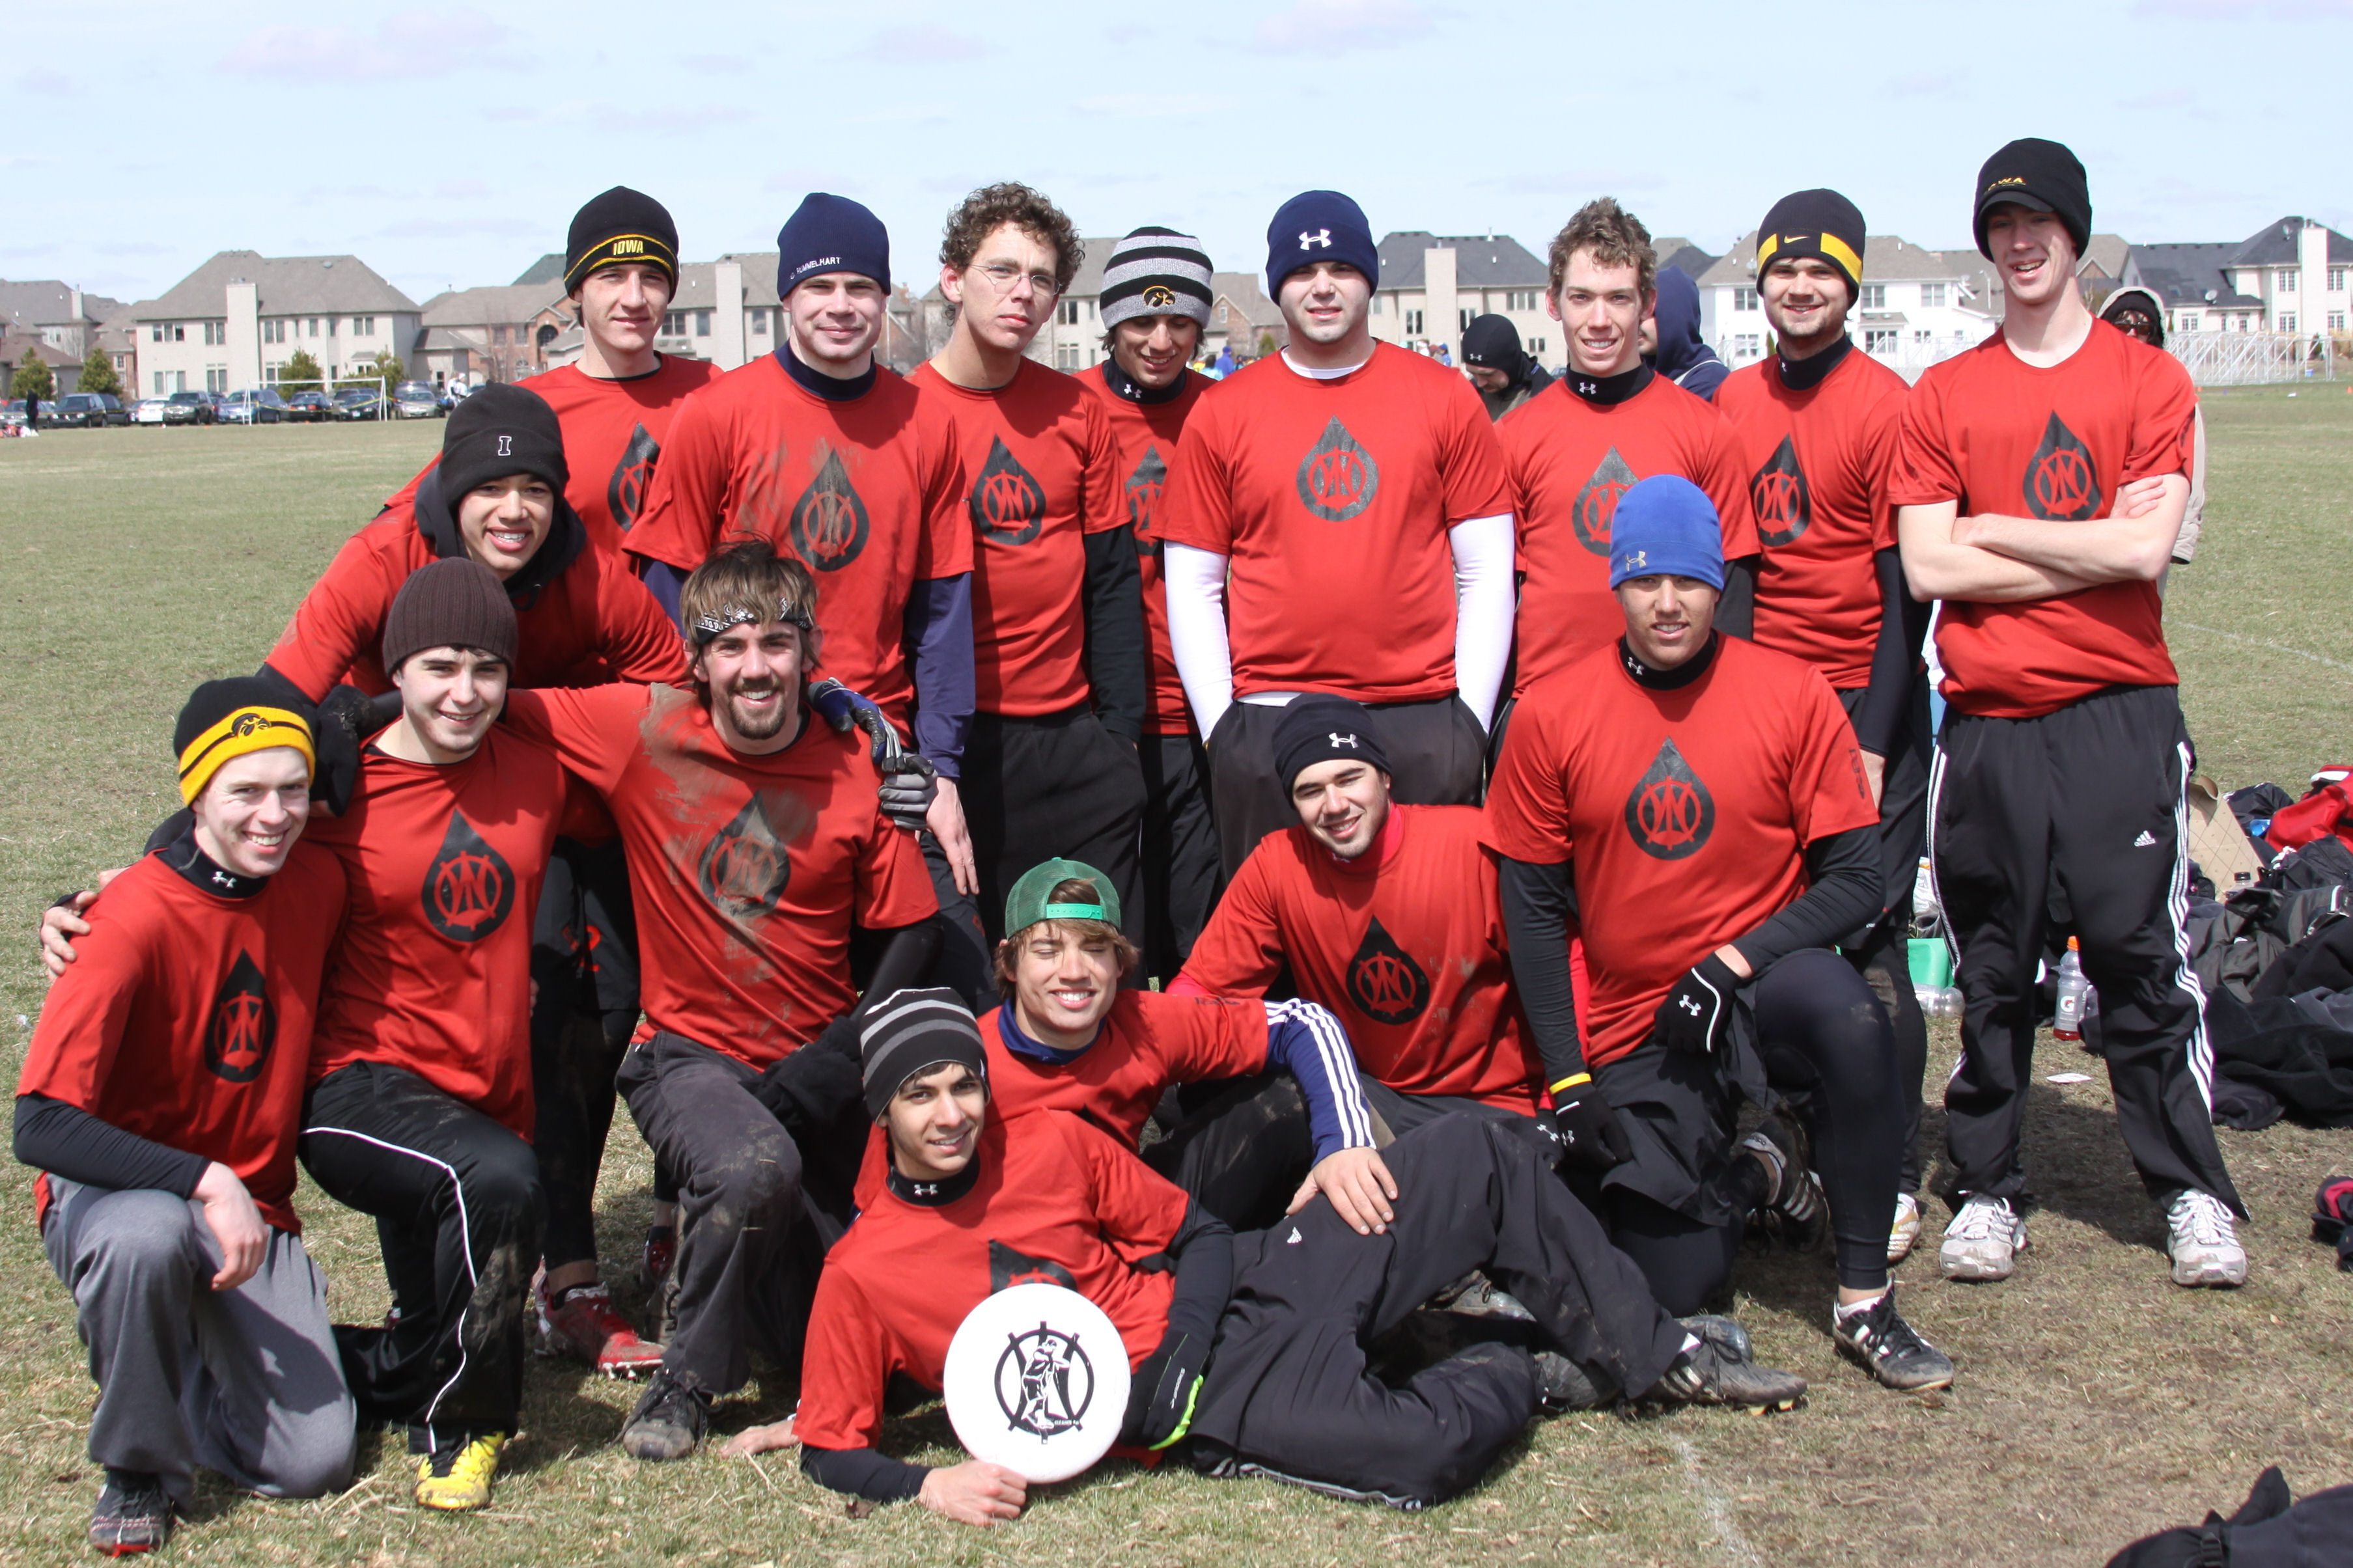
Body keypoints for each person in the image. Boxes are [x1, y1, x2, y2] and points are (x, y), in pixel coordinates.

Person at [729, 995, 1807, 1520]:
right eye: (919, 1094)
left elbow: (1198, 1234)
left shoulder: (1048, 1140)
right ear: (881, 1111)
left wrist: (1185, 1341)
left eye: (964, 1083)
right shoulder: (863, 1269)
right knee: (1422, 1457)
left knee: (1475, 1155)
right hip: (1209, 1408)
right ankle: (1505, 1363)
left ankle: (1656, 1354)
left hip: (1238, 1296)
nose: (952, 1112)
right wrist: (930, 1482)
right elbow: (831, 1445)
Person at [1485, 475, 1954, 1392]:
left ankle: (1864, 1301)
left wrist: (1733, 961)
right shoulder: (1549, 710)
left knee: (1850, 1012)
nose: (1667, 604)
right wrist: (1570, 1078)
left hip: (1760, 985)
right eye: (1644, 581)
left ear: (1719, 586)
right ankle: (1765, 1167)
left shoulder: (1790, 691)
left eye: (1689, 582)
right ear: (1615, 586)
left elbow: (1858, 878)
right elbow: (1532, 911)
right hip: (1642, 1019)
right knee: (1676, 1280)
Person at [495, 538, 941, 1461]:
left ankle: (732, 1290)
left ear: (808, 654)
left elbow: (911, 930)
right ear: (696, 662)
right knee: (751, 1167)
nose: (755, 667)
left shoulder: (858, 765)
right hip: (686, 1055)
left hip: (816, 1063)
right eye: (729, 647)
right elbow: (477, 702)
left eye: (776, 643)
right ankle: (686, 1382)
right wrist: (343, 723)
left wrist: (841, 1058)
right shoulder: (640, 728)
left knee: (872, 1347)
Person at [266, 381, 678, 1379]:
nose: (513, 511)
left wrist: (531, 719)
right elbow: (272, 704)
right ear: (449, 493)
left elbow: (672, 690)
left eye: (535, 488)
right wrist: (170, 860)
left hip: (548, 795)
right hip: (410, 808)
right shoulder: (382, 558)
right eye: (489, 488)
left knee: (597, 1008)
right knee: (449, 1013)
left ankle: (568, 1279)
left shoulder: (586, 569)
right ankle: (449, 1275)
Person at [1894, 138, 2246, 1289]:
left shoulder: (2148, 383)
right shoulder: (1944, 393)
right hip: (1991, 723)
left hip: (2117, 713)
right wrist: (2083, 547)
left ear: (2075, 235)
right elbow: (1927, 566)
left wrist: (1993, 526)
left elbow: (2143, 550)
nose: (2019, 242)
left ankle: (2190, 1189)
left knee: (2139, 957)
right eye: (2000, 225)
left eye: (2038, 222)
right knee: (1994, 967)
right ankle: (1986, 1188)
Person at [16, 681, 354, 1554]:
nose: (274, 815)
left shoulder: (318, 880)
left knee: (312, 1462)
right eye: (246, 792)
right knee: (145, 1239)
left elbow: (391, 709)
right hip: (121, 1194)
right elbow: (40, 1125)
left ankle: (178, 1358)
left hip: (250, 1207)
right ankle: (137, 1469)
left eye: (292, 789)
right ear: (196, 795)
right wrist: (205, 1178)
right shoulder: (123, 919)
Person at [622, 192, 986, 999]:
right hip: (752, 743)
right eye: (819, 287)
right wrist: (695, 737)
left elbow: (942, 611)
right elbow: (664, 598)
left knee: (951, 990)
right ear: (787, 295)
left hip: (881, 752)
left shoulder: (926, 424)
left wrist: (941, 768)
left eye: (860, 287)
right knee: (775, 998)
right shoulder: (715, 416)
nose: (841, 306)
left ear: (884, 298)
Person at [1160, 189, 1515, 877]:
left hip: (1418, 714)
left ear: (1369, 279)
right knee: (1278, 930)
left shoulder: (1444, 397)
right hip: (1269, 718)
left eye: (1341, 269)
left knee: (1427, 926)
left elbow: (1485, 571)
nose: (1322, 287)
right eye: (1301, 272)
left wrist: (1468, 722)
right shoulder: (1223, 411)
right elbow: (1192, 582)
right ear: (1276, 286)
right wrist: (1222, 731)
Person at [1713, 188, 1935, 1261]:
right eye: (1782, 271)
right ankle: (1784, 1139)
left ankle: (1890, 1174)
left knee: (1869, 940)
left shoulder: (1886, 405)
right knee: (1769, 930)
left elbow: (1904, 597)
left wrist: (1875, 737)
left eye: (1820, 272)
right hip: (1772, 709)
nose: (1799, 288)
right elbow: (1737, 578)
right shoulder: (1732, 402)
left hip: (1861, 705)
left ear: (1849, 285)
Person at [1167, 696, 1548, 1224]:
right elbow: (1198, 995)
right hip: (1371, 1099)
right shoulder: (1280, 863)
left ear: (1385, 777)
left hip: (1495, 1105)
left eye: (1350, 778)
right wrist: (1139, 1050)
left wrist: (1566, 1095)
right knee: (1270, 1099)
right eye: (1310, 790)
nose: (1335, 804)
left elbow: (1564, 965)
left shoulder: (1473, 843)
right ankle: (1143, 1218)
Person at [906, 184, 1149, 948]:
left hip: (1076, 739)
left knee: (1093, 963)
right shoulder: (903, 413)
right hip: (961, 748)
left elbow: (1112, 582)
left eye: (1041, 279)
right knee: (983, 968)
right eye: (1001, 270)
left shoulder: (1077, 410)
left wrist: (1118, 738)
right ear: (953, 280)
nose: (1023, 293)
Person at [949, 856, 1389, 1233]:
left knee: (1295, 1099)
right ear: (1010, 963)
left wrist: (1344, 1144)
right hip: (1019, 1248)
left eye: (1095, 949)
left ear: (1120, 963)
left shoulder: (1142, 1021)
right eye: (1047, 950)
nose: (1074, 971)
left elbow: (1301, 1023)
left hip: (1132, 1215)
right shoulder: (967, 1062)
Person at [1499, 197, 1759, 708]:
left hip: (1673, 704)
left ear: (1648, 303)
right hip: (1548, 707)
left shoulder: (1706, 431)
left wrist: (1724, 707)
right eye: (1581, 298)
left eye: (1618, 298)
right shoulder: (1512, 437)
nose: (1599, 320)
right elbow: (1496, 591)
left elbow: (1733, 585)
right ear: (1553, 303)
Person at [383, 187, 721, 553]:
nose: (634, 298)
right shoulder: (523, 409)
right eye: (612, 276)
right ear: (577, 290)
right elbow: (400, 524)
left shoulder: (713, 391)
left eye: (652, 277)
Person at [1081, 226, 1221, 978]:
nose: (1161, 341)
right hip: (1102, 718)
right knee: (1112, 935)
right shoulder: (1072, 411)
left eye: (1179, 321)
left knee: (1201, 933)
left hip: (1203, 717)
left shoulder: (1227, 411)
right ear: (1111, 322)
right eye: (1141, 320)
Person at [2099, 285, 2208, 575]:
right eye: (2122, 325)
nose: (2132, 334)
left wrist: (2180, 540)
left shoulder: (2171, 388)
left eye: (2143, 328)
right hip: (2086, 527)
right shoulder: (2082, 385)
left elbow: (2192, 465)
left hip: (2148, 526)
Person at [1646, 268, 1729, 401]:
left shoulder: (1710, 380)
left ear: (1676, 318)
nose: (1638, 322)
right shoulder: (1643, 371)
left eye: (1651, 314)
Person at [1462, 312, 1552, 421]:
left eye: (1488, 375)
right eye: (1473, 374)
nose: (1480, 383)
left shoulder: (1548, 398)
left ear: (1509, 364)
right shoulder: (1469, 396)